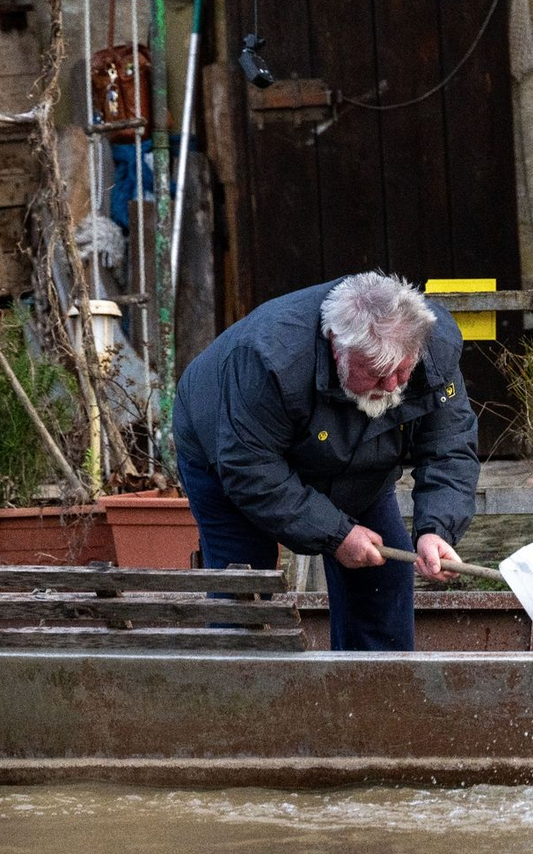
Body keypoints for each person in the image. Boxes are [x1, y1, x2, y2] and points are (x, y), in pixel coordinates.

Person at [172, 272, 479, 651]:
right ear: (338, 347)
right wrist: (336, 535)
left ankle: (372, 698)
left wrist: (438, 529)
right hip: (226, 451)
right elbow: (251, 471)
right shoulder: (269, 359)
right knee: (246, 585)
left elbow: (449, 444)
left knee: (385, 572)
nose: (393, 386)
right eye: (377, 373)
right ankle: (243, 702)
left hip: (353, 454)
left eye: (402, 370)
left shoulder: (432, 346)